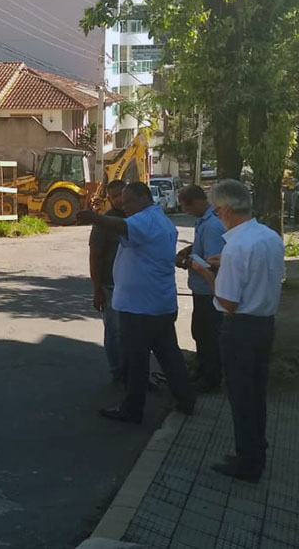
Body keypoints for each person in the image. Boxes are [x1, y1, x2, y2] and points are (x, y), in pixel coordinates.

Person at [77, 182, 195, 424]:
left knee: (136, 359)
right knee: (168, 353)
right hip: (158, 302)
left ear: (143, 198)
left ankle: (133, 408)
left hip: (140, 307)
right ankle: (186, 398)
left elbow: (120, 225)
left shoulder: (145, 220)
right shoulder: (159, 220)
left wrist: (95, 218)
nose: (123, 205)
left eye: (127, 201)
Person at [190, 179, 284, 482]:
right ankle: (257, 448)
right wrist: (224, 265)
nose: (217, 216)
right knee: (256, 392)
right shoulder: (268, 236)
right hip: (264, 324)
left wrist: (206, 271)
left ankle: (248, 461)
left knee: (241, 395)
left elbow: (227, 302)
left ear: (227, 208)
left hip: (240, 328)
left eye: (217, 211)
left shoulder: (236, 247)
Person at [176, 185, 226, 392]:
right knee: (200, 332)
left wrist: (185, 262)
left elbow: (212, 263)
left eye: (187, 209)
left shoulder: (212, 225)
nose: (187, 213)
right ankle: (203, 370)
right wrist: (188, 250)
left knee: (208, 336)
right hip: (202, 290)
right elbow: (201, 247)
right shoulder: (205, 221)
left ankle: (210, 379)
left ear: (195, 202)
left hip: (209, 291)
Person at [89, 180, 127, 382]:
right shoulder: (104, 222)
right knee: (115, 332)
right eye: (115, 196)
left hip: (133, 288)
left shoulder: (137, 217)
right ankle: (117, 371)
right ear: (110, 200)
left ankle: (132, 371)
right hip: (111, 286)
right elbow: (95, 255)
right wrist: (97, 289)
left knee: (131, 333)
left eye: (123, 194)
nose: (120, 200)